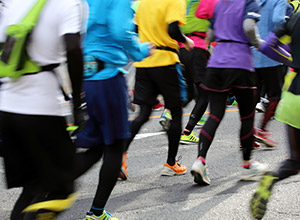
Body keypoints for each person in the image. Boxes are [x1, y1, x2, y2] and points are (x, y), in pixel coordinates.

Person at [0, 0, 85, 218]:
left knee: (32, 187)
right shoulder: (66, 4)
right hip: (41, 108)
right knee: (62, 189)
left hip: (7, 107)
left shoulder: (14, 3)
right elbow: (74, 48)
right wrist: (77, 103)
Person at [73, 0, 153, 219]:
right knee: (115, 147)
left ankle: (52, 188)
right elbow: (120, 30)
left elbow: (77, 35)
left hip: (89, 76)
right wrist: (140, 50)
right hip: (109, 76)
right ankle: (96, 212)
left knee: (96, 146)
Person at [190, 0, 267, 185]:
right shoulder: (249, 2)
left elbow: (211, 34)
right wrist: (258, 43)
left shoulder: (219, 4)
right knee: (247, 117)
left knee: (214, 115)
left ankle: (200, 160)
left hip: (217, 62)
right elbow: (249, 27)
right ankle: (247, 166)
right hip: (240, 62)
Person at [124, 0, 194, 177]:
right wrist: (186, 40)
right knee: (176, 112)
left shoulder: (143, 2)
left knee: (143, 114)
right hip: (166, 61)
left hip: (145, 60)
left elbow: (134, 30)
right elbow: (173, 30)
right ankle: (171, 163)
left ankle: (120, 157)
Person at [250, 11, 300, 219]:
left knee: (295, 161)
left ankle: (271, 177)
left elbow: (268, 44)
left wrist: (291, 60)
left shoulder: (295, 17)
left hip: (292, 97)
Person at [179, 0, 218, 145]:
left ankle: (169, 113)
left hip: (182, 48)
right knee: (204, 94)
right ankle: (187, 132)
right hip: (198, 48)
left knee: (190, 93)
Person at [252, 0, 287, 147]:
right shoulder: (279, 1)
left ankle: (248, 133)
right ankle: (262, 129)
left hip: (252, 54)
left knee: (252, 96)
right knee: (275, 96)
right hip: (272, 55)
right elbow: (278, 20)